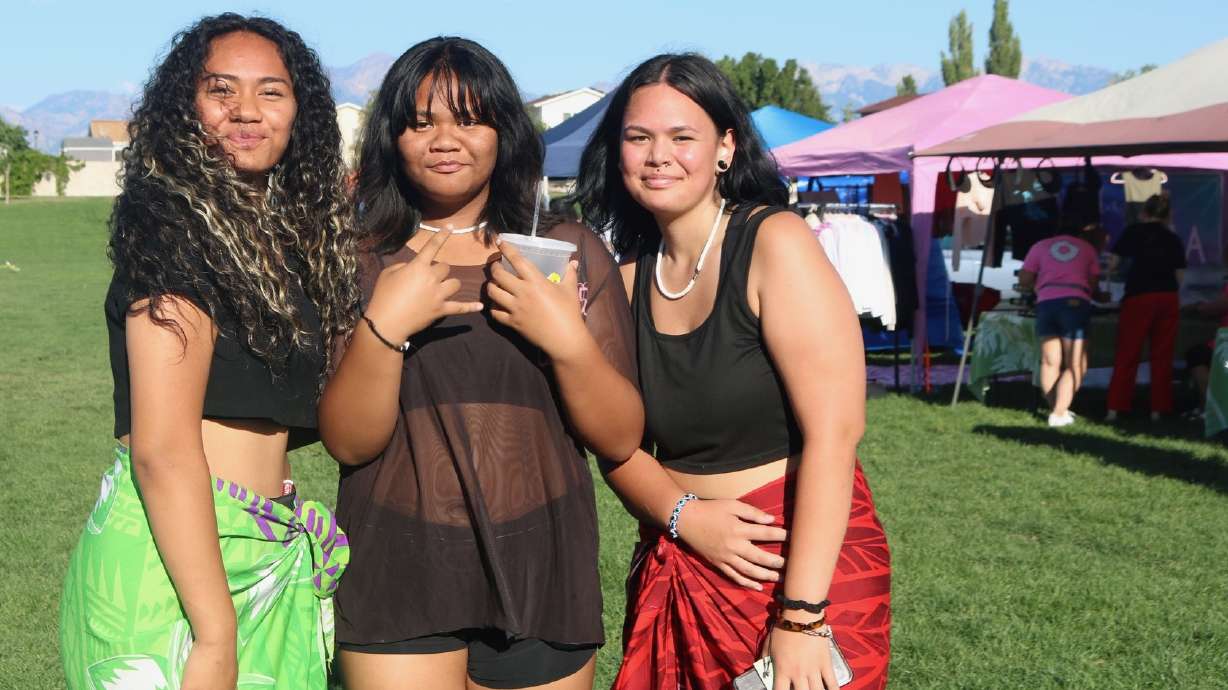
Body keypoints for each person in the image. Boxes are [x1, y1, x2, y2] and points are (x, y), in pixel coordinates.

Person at [318, 37, 642, 690]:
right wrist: (383, 327)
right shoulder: (356, 259)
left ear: (503, 133)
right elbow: (349, 441)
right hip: (395, 580)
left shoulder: (564, 250)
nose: (445, 139)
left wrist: (566, 339)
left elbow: (620, 437)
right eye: (421, 121)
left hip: (543, 578)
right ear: (392, 139)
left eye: (468, 118)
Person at [573, 54, 891, 690]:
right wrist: (684, 515)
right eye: (638, 138)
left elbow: (835, 434)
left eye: (681, 137)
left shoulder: (775, 242)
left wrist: (801, 618)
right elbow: (613, 442)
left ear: (725, 147)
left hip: (794, 562)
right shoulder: (623, 281)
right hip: (682, 556)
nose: (658, 155)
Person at [60, 14, 357, 690]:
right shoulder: (171, 228)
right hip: (177, 572)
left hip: (265, 553)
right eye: (221, 90)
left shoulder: (290, 242)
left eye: (271, 92)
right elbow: (162, 448)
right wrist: (215, 633)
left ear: (300, 110)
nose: (246, 111)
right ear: (186, 107)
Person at [1018, 219, 1106, 427]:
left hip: (1046, 304)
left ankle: (1056, 409)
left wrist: (1040, 283)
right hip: (1075, 304)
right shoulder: (1087, 249)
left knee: (1050, 361)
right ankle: (1058, 413)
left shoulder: (1040, 246)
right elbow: (1093, 283)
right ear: (1080, 234)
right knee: (1076, 362)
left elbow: (1025, 279)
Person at [1106, 193, 1186, 421]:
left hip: (1138, 297)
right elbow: (1180, 275)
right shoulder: (1173, 238)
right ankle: (1158, 410)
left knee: (1128, 353)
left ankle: (1115, 408)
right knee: (1162, 355)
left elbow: (1113, 264)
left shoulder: (1132, 232)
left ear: (1144, 213)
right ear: (1168, 215)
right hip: (1167, 297)